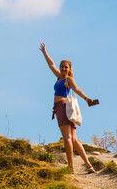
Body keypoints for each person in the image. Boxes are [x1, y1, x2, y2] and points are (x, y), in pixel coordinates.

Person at [39, 42, 96, 174]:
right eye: (62, 66)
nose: (64, 69)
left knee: (67, 138)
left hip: (63, 107)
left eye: (66, 67)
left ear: (69, 69)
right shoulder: (59, 77)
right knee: (74, 140)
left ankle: (70, 168)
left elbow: (77, 89)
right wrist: (44, 52)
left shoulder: (68, 80)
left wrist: (86, 98)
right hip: (63, 108)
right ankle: (88, 165)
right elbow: (51, 65)